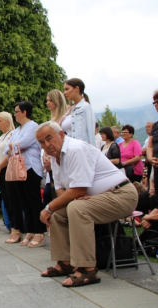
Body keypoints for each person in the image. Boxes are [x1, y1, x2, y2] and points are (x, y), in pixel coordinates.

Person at [36, 121, 138, 287]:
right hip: (99, 197)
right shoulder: (56, 158)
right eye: (41, 142)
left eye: (49, 138)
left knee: (76, 208)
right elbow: (61, 190)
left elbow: (79, 189)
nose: (46, 145)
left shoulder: (76, 149)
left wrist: (49, 207)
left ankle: (87, 269)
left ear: (61, 135)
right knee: (59, 212)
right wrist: (62, 203)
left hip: (121, 194)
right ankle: (65, 262)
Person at [3, 102, 46, 247]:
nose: (15, 114)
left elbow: (23, 143)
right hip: (18, 169)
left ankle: (40, 232)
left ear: (24, 112)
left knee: (33, 200)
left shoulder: (33, 126)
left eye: (16, 111)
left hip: (30, 168)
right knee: (24, 202)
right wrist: (12, 146)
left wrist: (13, 145)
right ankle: (30, 230)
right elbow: (7, 148)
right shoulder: (17, 130)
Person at [0, 112, 15, 234]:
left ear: (7, 122)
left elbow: (10, 153)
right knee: (5, 198)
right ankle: (10, 224)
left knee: (11, 198)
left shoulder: (12, 134)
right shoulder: (1, 137)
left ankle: (15, 225)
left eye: (0, 121)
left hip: (7, 169)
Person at [61, 78, 96, 146]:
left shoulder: (85, 107)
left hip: (82, 150)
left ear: (77, 88)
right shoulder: (69, 111)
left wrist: (92, 152)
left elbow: (91, 132)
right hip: (69, 150)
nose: (64, 92)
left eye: (67, 89)